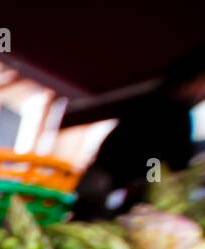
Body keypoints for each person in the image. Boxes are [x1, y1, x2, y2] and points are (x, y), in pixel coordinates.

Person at [73, 47, 205, 219]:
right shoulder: (172, 113)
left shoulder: (147, 101)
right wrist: (152, 182)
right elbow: (155, 156)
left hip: (107, 179)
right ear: (193, 79)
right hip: (114, 185)